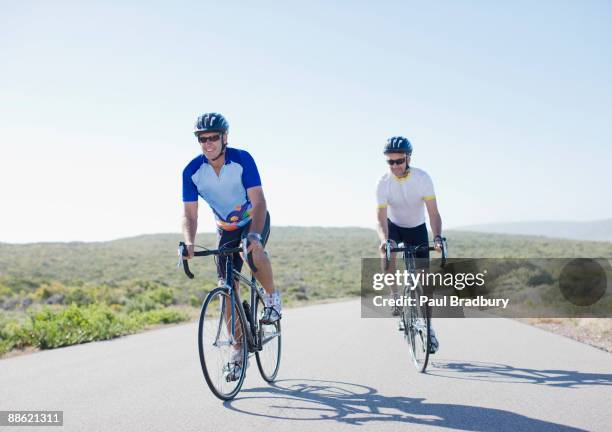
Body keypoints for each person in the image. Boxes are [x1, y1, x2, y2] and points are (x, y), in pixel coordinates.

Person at [181, 112, 281, 379]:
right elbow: (190, 215)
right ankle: (238, 349)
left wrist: (255, 235)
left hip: (252, 219)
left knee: (252, 252)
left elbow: (259, 202)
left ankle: (271, 297)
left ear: (224, 138)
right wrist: (189, 242)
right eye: (202, 139)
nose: (208, 143)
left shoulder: (242, 159)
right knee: (225, 288)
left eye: (213, 137)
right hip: (225, 229)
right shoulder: (192, 172)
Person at [375, 136, 443, 353]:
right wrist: (385, 241)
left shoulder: (422, 178)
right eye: (390, 162)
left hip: (417, 228)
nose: (395, 166)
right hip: (393, 226)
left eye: (399, 161)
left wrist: (438, 237)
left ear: (408, 158)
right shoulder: (383, 183)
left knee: (424, 282)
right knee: (386, 253)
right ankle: (395, 297)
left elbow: (433, 213)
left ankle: (429, 328)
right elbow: (380, 218)